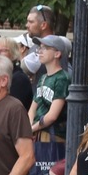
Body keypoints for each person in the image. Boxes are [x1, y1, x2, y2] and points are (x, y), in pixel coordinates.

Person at [30, 34, 72, 166]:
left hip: (54, 135)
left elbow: (52, 116)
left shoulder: (62, 78)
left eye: (46, 48)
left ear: (57, 53)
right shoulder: (42, 78)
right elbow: (33, 107)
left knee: (50, 172)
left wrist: (32, 129)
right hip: (38, 133)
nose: (40, 51)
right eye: (40, 47)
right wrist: (29, 127)